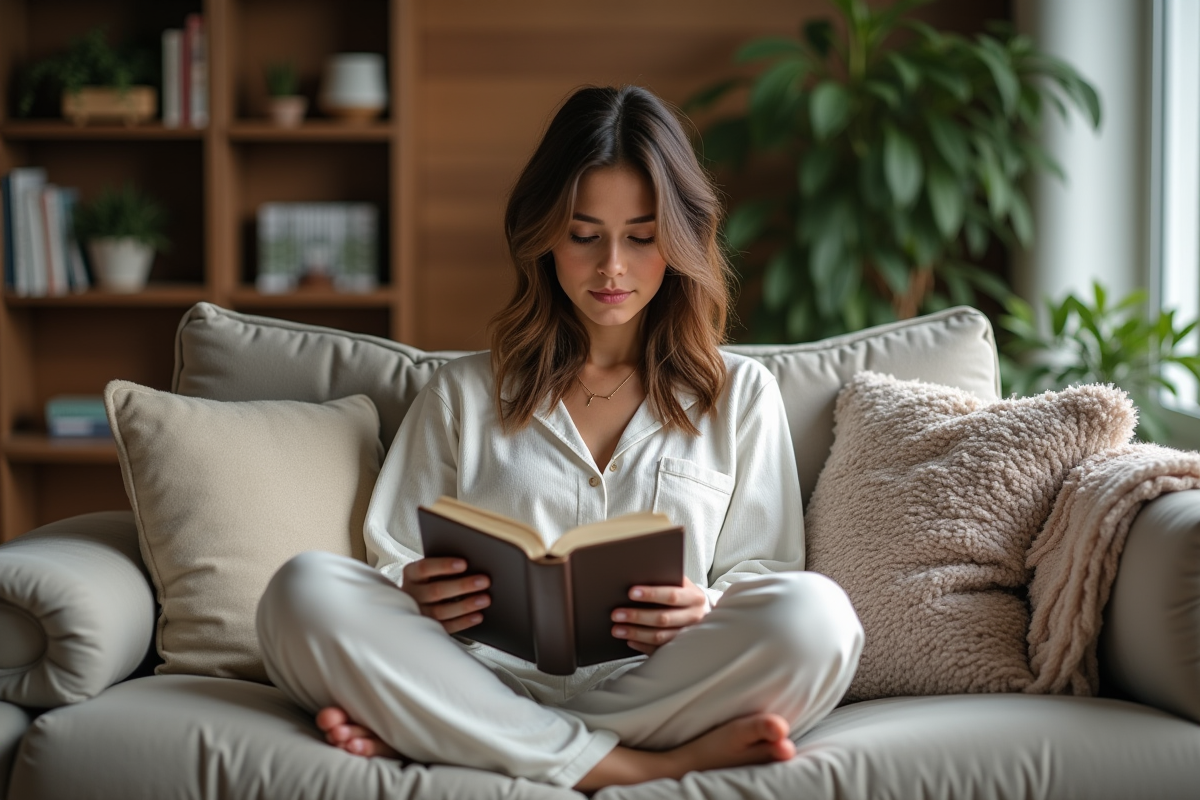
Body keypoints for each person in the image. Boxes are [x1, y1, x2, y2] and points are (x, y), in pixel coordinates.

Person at [256, 85, 863, 791]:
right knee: (302, 591)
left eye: (642, 237)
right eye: (584, 235)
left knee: (819, 619)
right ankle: (633, 765)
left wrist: (707, 607)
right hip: (477, 674)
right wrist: (416, 591)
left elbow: (765, 571)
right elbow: (393, 557)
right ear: (545, 236)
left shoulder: (739, 394)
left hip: (659, 683)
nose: (612, 266)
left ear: (680, 241)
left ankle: (463, 738)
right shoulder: (462, 393)